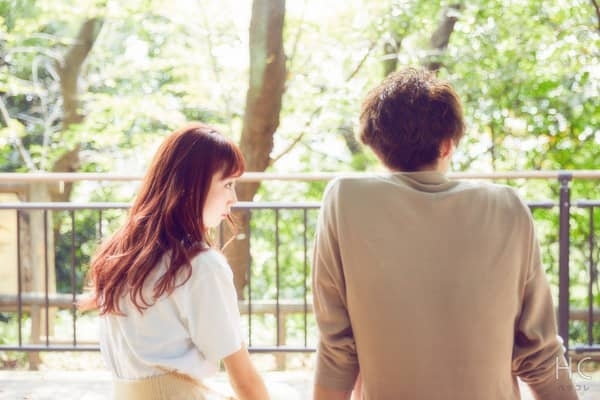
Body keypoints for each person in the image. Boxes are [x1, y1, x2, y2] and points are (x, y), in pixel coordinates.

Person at [311, 68, 579, 399]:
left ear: (374, 145)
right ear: (448, 145)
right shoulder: (507, 207)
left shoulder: (345, 201)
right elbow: (542, 354)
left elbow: (337, 351)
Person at [81, 122, 270, 400]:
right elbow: (245, 381)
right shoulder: (201, 266)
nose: (233, 198)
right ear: (193, 186)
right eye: (228, 184)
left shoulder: (121, 257)